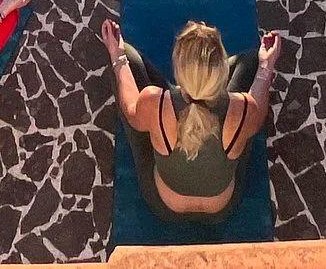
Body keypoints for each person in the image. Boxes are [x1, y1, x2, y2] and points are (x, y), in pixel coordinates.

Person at [102, 15, 281, 223]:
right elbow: (258, 117)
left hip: (164, 205)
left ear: (178, 68)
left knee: (128, 60)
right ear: (220, 71)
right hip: (222, 209)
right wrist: (266, 67)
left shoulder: (154, 101)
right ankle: (206, 83)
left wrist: (118, 58)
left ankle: (180, 89)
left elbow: (131, 111)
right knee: (252, 61)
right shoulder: (244, 107)